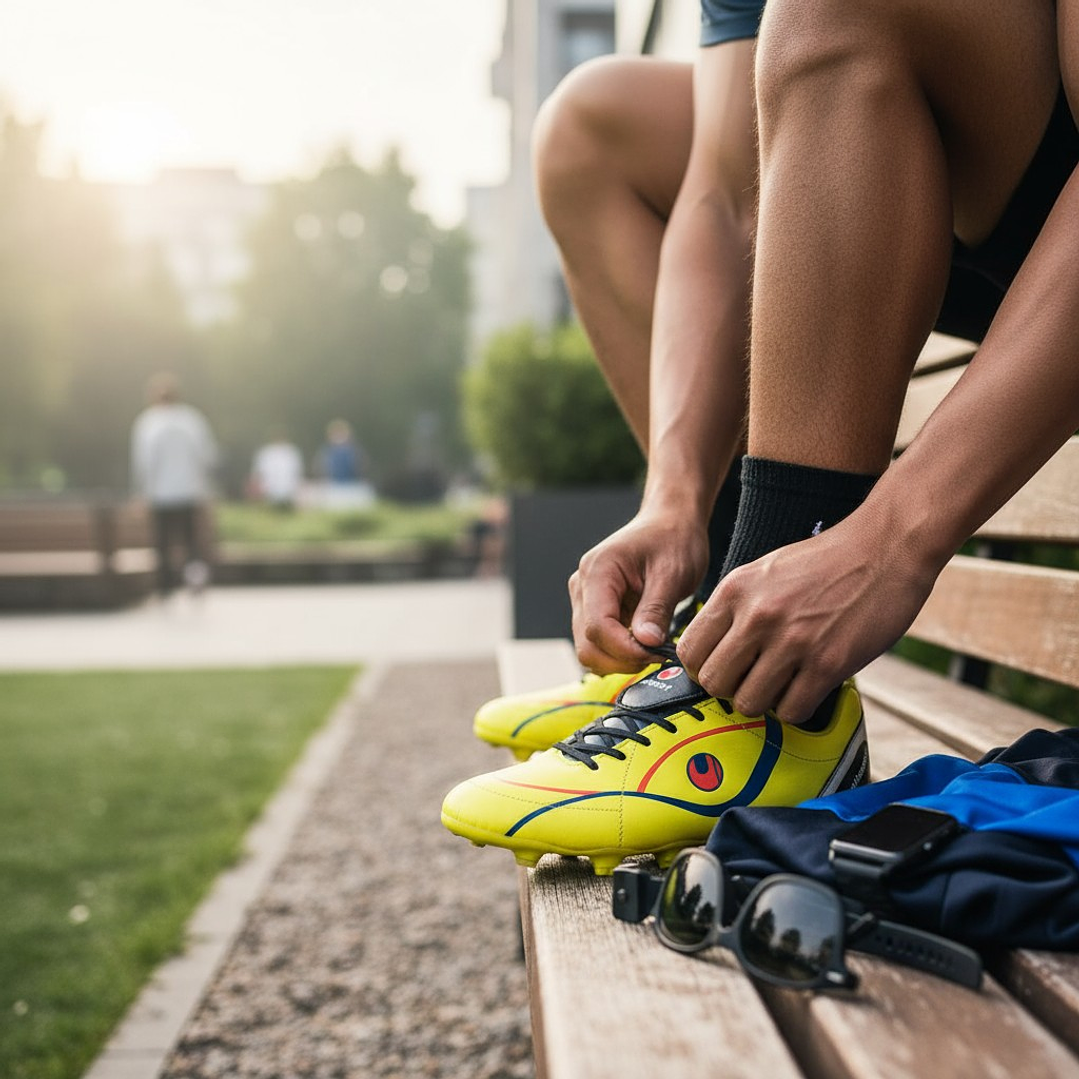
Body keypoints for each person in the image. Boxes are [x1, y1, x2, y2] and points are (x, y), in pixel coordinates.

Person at [441, 0, 1079, 872]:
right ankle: (732, 635)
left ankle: (765, 712)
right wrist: (674, 499)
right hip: (986, 193)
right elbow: (727, 191)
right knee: (591, 128)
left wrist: (887, 542)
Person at [130, 372, 218, 596]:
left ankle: (165, 585)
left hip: (160, 493)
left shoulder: (148, 422)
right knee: (190, 541)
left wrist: (141, 493)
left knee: (162, 541)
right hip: (190, 490)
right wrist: (206, 490)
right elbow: (207, 456)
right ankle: (194, 577)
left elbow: (144, 463)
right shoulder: (192, 420)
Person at [250, 433, 304, 510]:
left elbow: (297, 469)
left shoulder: (291, 452)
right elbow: (259, 469)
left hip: (288, 486)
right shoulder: (266, 452)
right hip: (269, 485)